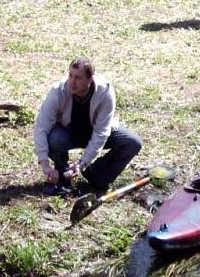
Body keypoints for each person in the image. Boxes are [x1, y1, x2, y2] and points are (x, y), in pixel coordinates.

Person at [33, 58, 142, 196]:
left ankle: (96, 175)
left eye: (78, 78)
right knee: (54, 138)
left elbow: (101, 132)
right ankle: (62, 176)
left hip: (93, 131)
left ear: (90, 79)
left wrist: (82, 163)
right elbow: (41, 128)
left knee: (132, 143)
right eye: (70, 75)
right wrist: (45, 164)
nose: (72, 82)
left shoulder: (105, 93)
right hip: (67, 133)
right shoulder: (58, 91)